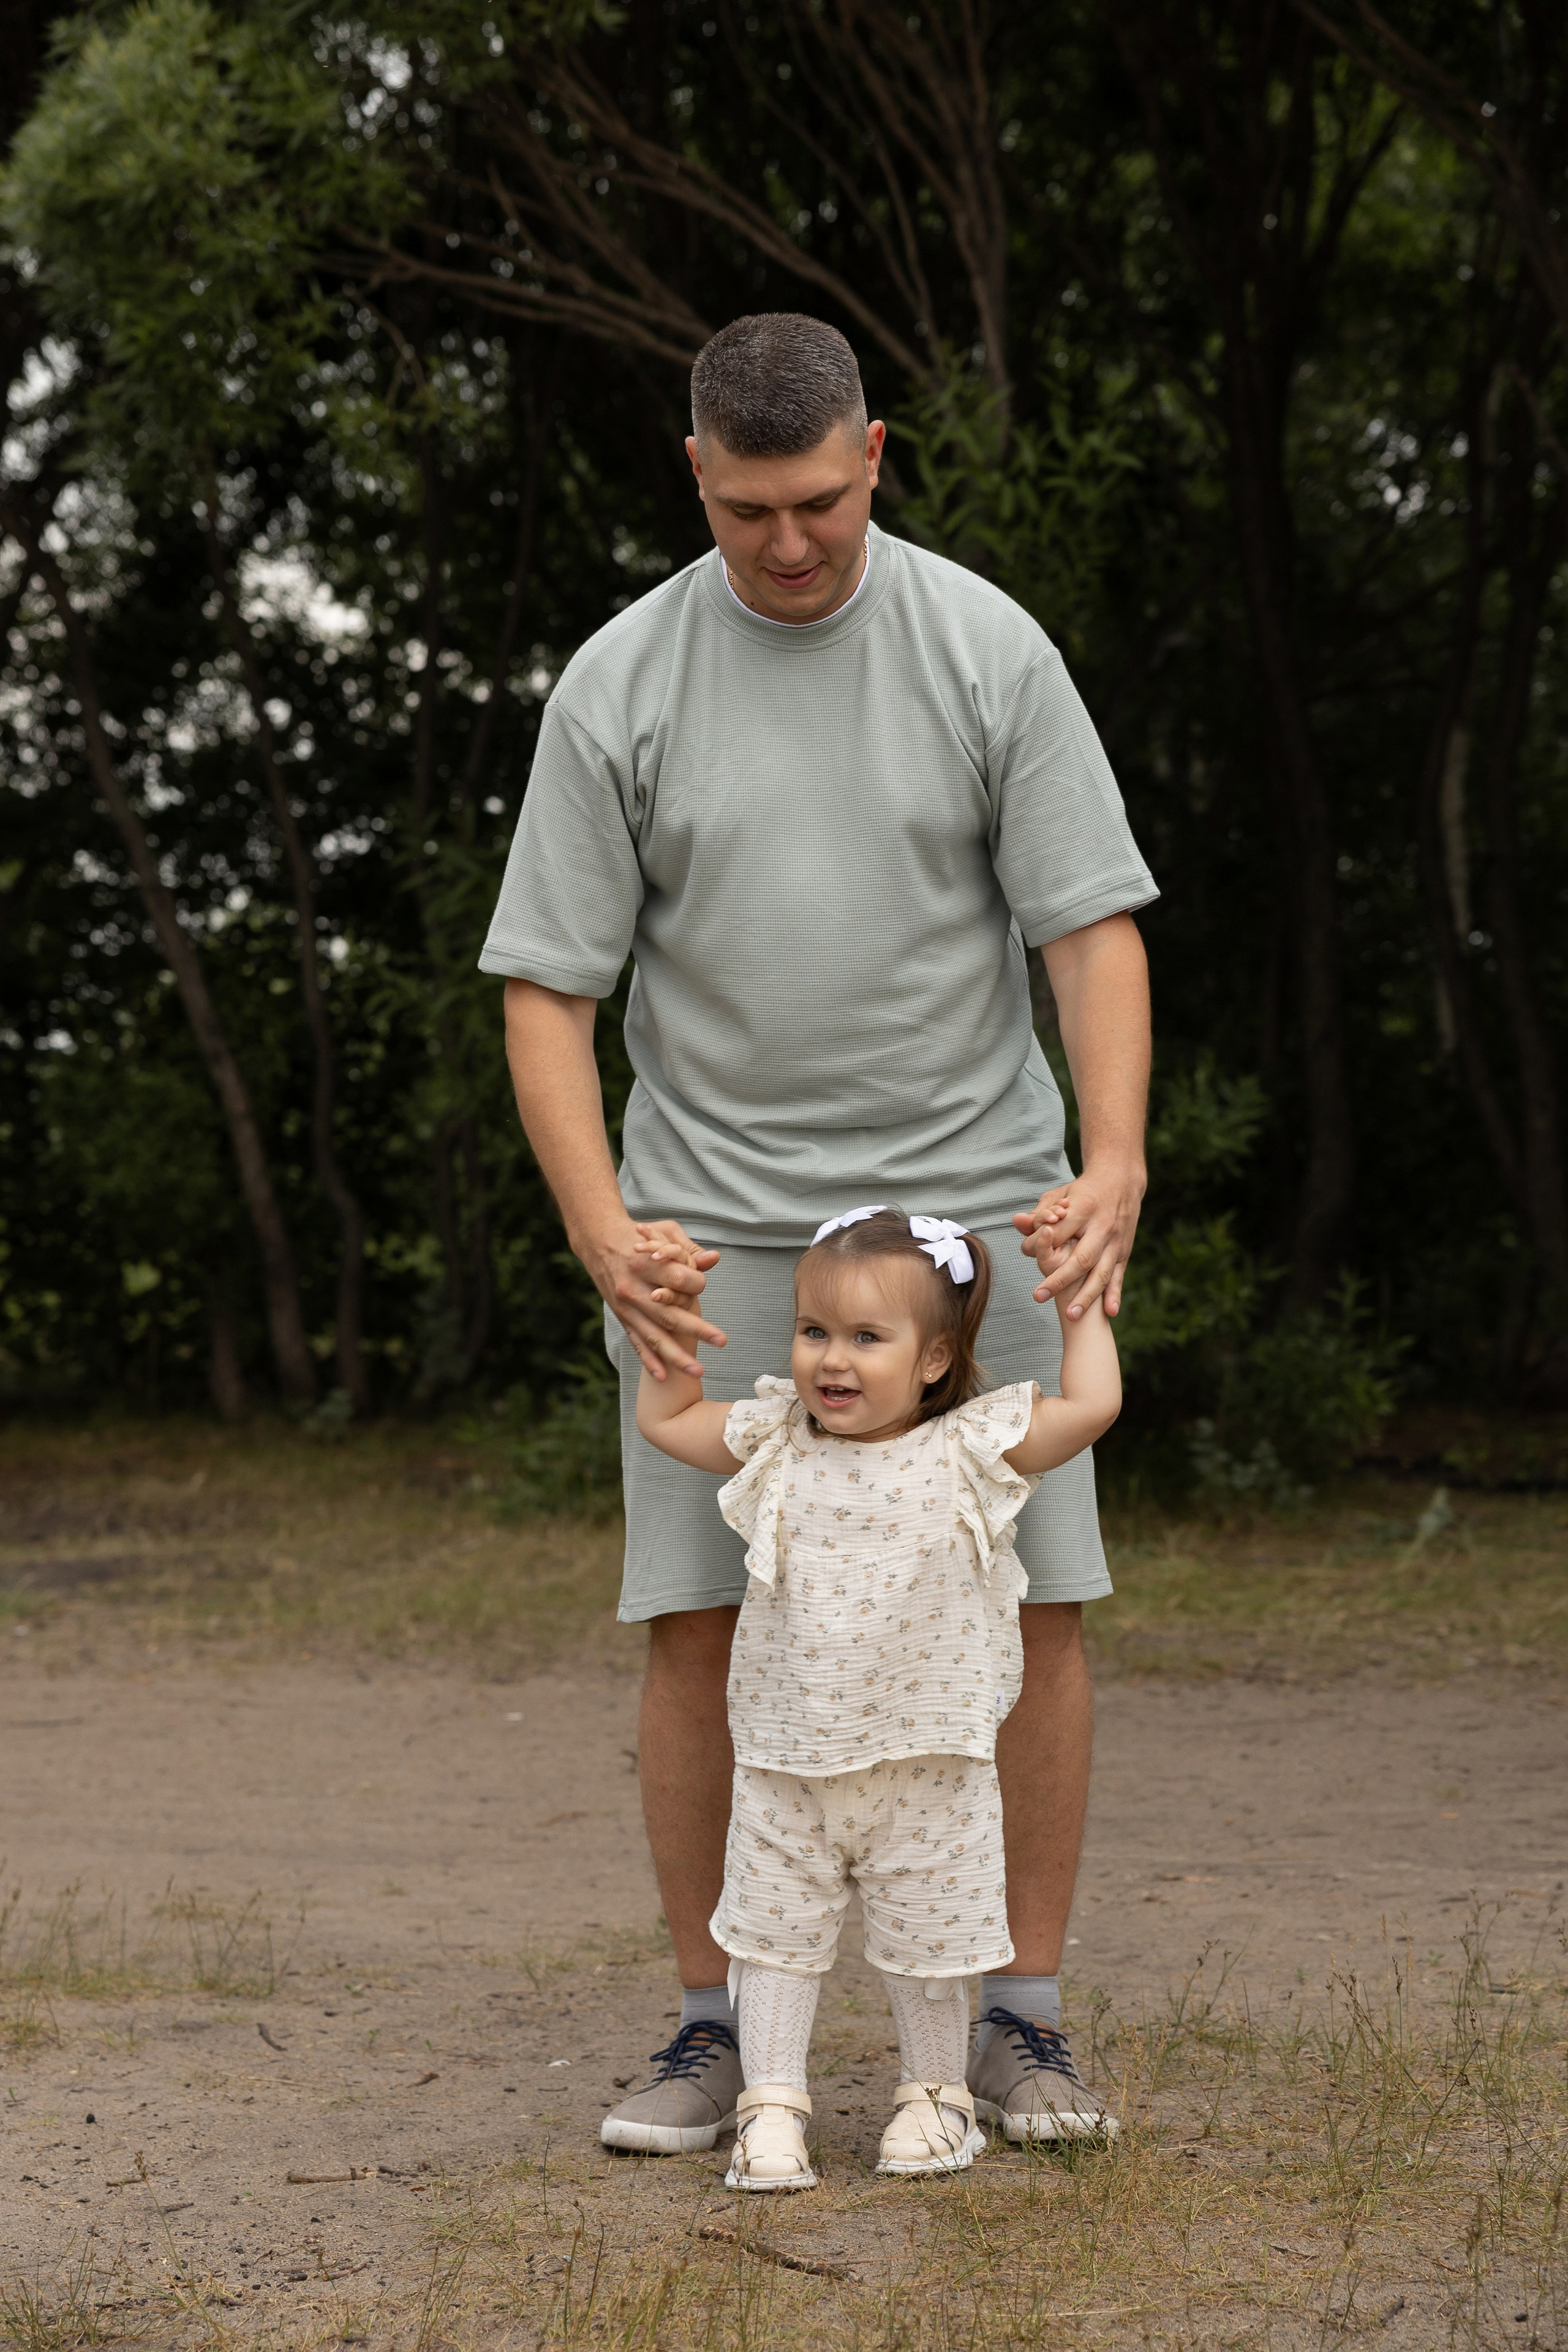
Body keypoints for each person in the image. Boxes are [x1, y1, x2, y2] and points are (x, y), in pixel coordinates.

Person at [480, 311, 1156, 2154]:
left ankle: (1024, 2022)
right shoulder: (618, 686)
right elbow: (547, 988)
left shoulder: (984, 647)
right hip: (723, 1243)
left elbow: (1089, 928)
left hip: (982, 1222)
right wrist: (607, 1230)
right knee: (700, 1621)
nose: (789, 545)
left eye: (818, 503)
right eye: (748, 510)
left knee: (1038, 1606)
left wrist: (1113, 1168)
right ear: (695, 476)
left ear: (877, 452)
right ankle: (715, 2032)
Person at [634, 1207, 1122, 2188]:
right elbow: (668, 1421)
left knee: (931, 1943)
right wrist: (676, 1316)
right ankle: (772, 2107)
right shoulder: (777, 1436)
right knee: (774, 1941)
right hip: (786, 1761)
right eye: (814, 1331)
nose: (831, 1360)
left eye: (867, 1337)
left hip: (929, 1763)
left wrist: (1080, 1298)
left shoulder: (972, 1446)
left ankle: (935, 2100)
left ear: (935, 1360)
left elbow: (1093, 1406)